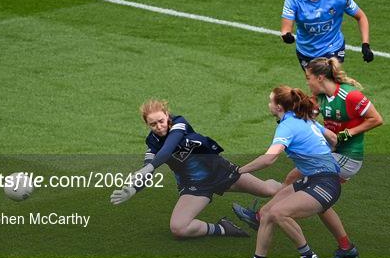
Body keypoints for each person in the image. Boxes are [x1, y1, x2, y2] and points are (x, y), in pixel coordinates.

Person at [233, 58, 383, 258]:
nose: (308, 83)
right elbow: (307, 112)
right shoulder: (320, 96)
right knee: (315, 195)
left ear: (320, 77)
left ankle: (266, 217)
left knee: (312, 188)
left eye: (308, 78)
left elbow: (376, 119)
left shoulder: (350, 95)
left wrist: (348, 133)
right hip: (332, 152)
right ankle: (346, 247)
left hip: (348, 157)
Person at [110, 99, 283, 239]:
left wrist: (150, 166)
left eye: (161, 121)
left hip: (220, 172)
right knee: (178, 228)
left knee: (267, 190)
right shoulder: (153, 146)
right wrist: (133, 189)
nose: (159, 126)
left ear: (167, 116)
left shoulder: (179, 124)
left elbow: (169, 148)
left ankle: (294, 188)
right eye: (153, 124)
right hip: (194, 187)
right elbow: (147, 174)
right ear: (147, 125)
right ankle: (223, 229)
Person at [231, 86, 340, 258]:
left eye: (270, 101)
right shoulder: (304, 119)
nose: (269, 104)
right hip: (313, 179)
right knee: (265, 214)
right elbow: (333, 138)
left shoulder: (287, 126)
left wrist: (239, 171)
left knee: (279, 213)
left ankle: (307, 255)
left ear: (279, 107)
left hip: (324, 184)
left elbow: (269, 159)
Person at [280, 0, 374, 70]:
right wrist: (287, 36)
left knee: (328, 83)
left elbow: (361, 17)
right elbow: (285, 29)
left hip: (332, 48)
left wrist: (365, 45)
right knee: (317, 87)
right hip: (306, 52)